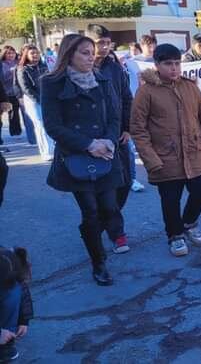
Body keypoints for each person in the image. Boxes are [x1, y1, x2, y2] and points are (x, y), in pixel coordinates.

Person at [131, 44, 201, 256]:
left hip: (195, 151)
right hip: (165, 156)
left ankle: (189, 223)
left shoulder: (190, 87)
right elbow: (138, 129)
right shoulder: (146, 92)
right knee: (170, 199)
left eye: (177, 63)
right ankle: (175, 235)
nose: (174, 68)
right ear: (157, 65)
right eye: (168, 64)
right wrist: (150, 159)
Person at [41, 34, 125, 286]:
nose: (91, 57)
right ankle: (98, 262)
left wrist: (108, 141)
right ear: (69, 54)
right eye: (85, 53)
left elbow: (114, 116)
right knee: (90, 211)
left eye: (92, 52)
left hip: (106, 153)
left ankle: (91, 237)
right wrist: (89, 145)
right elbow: (53, 125)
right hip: (75, 156)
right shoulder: (52, 82)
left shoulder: (102, 78)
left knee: (110, 208)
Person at [87, 24, 133, 254]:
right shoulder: (77, 69)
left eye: (107, 43)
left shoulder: (115, 68)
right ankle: (117, 233)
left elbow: (126, 98)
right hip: (92, 140)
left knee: (126, 180)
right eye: (99, 43)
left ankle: (107, 220)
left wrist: (127, 128)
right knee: (104, 187)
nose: (103, 48)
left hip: (119, 136)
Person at [16, 45, 53, 161]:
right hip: (32, 101)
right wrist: (39, 100)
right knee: (40, 126)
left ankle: (52, 149)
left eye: (36, 53)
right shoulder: (22, 69)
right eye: (32, 53)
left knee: (48, 125)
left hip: (46, 99)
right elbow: (26, 88)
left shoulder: (43, 66)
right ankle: (46, 152)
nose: (35, 55)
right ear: (26, 55)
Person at [0, 246, 33, 362]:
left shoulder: (10, 260)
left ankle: (6, 339)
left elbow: (23, 293)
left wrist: (23, 320)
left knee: (13, 293)